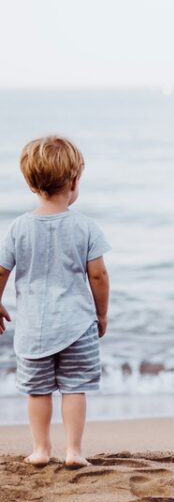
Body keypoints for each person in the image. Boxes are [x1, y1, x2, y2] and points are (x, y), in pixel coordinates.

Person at [0, 135, 110, 469]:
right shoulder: (85, 227)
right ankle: (74, 451)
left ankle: (40, 449)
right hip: (77, 326)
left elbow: (1, 272)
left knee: (38, 391)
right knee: (75, 389)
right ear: (74, 181)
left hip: (33, 330)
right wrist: (101, 315)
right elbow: (99, 277)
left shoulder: (18, 228)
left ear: (31, 183)